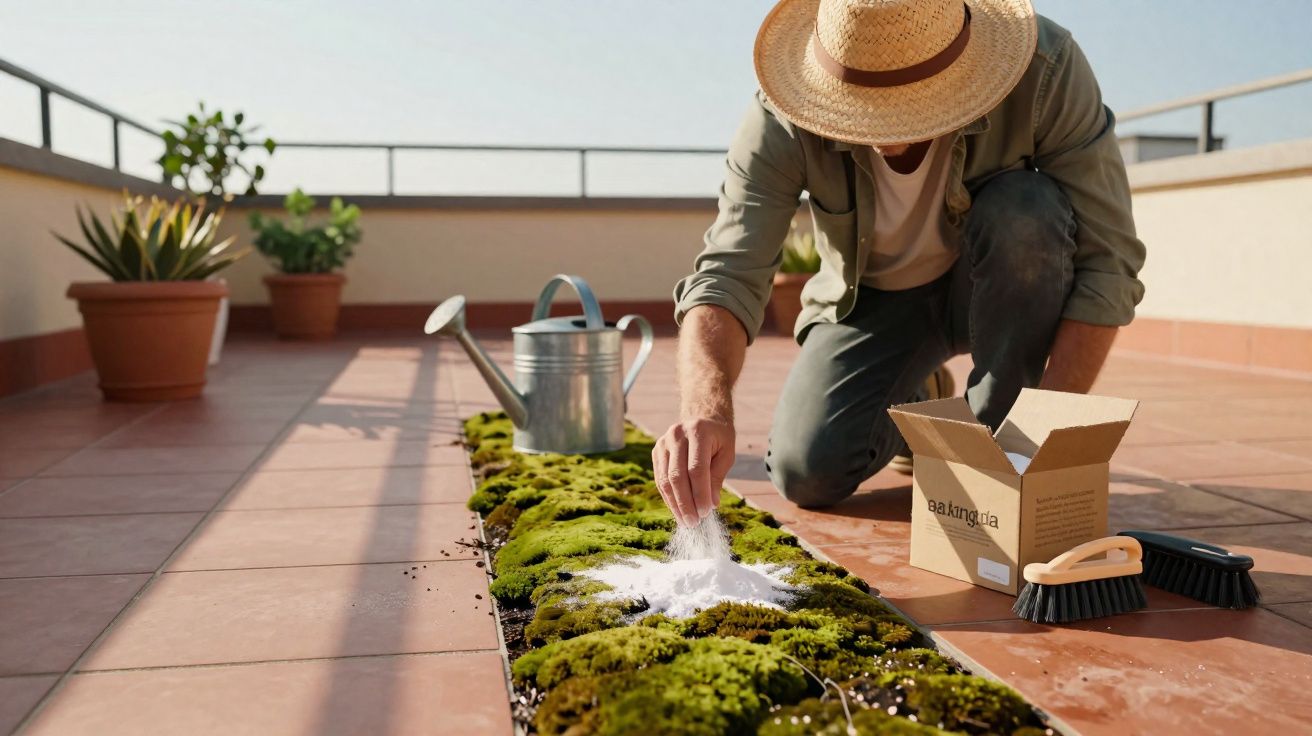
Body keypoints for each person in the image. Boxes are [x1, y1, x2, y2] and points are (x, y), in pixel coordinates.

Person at [652, 0, 1146, 527]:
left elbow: (1109, 261)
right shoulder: (783, 112)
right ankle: (920, 393)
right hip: (873, 302)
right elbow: (729, 271)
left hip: (1000, 291)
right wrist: (706, 409)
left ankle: (999, 423)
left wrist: (1046, 431)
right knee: (806, 473)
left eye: (910, 105)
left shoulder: (1045, 68)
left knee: (1027, 209)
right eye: (862, 105)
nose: (886, 130)